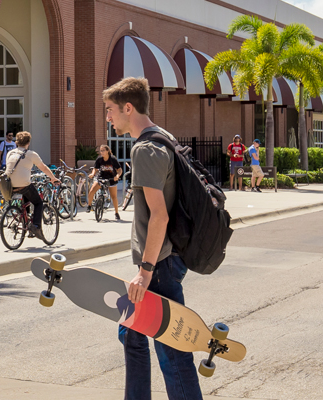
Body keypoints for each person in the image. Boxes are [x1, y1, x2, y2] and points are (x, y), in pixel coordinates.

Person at [102, 76, 202, 400]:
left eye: (110, 110)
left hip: (159, 265)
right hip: (165, 260)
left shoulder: (145, 149)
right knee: (130, 331)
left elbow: (159, 215)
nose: (108, 117)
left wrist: (145, 272)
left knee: (172, 351)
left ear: (128, 108)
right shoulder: (164, 138)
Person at [4, 131, 57, 241]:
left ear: (17, 142)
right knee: (38, 202)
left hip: (10, 185)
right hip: (24, 184)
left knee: (26, 196)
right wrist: (53, 178)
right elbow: (43, 168)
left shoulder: (10, 153)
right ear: (28, 142)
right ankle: (36, 226)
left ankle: (26, 221)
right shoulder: (31, 154)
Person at [88, 145, 124, 220]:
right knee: (91, 191)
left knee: (114, 197)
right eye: (101, 151)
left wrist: (117, 176)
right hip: (101, 178)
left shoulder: (112, 159)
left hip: (111, 179)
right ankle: (89, 205)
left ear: (107, 151)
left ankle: (116, 212)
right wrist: (92, 173)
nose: (102, 152)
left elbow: (120, 170)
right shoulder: (99, 159)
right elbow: (95, 168)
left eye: (103, 150)